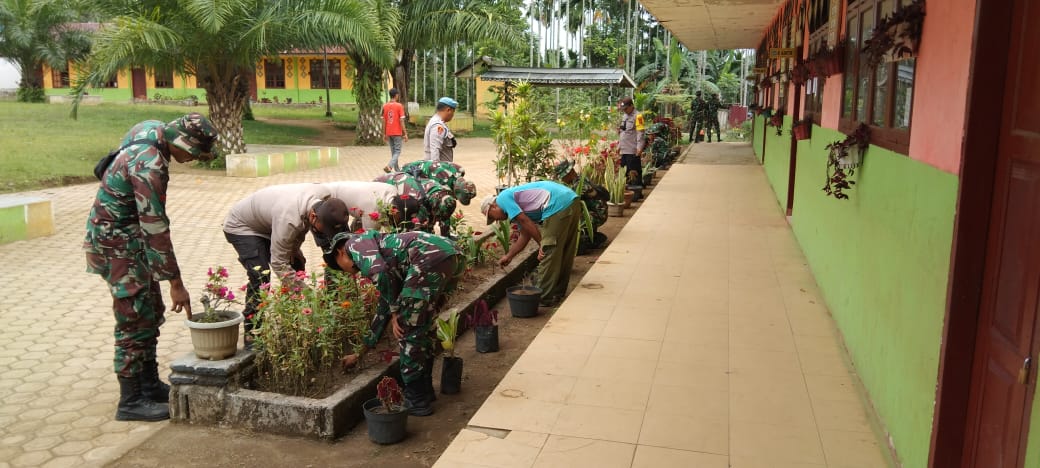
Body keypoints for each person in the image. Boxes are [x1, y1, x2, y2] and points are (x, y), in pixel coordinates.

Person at [84, 112, 217, 422]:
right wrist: (176, 283)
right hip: (117, 243)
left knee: (150, 310)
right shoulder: (150, 167)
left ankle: (147, 384)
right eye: (194, 154)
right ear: (181, 143)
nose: (192, 160)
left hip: (127, 240)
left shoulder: (153, 130)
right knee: (134, 318)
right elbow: (155, 227)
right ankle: (130, 401)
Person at [323, 230, 465, 416]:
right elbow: (382, 311)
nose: (350, 272)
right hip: (451, 255)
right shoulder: (389, 265)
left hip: (428, 256)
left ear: (339, 252)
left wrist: (395, 312)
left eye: (340, 267)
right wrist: (359, 354)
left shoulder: (353, 244)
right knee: (421, 326)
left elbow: (381, 276)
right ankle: (424, 392)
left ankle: (416, 399)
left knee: (406, 328)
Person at [222, 184, 348, 345]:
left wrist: (294, 251)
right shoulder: (289, 220)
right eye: (325, 230)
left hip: (270, 223)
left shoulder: (322, 195)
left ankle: (292, 319)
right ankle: (252, 330)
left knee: (297, 263)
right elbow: (278, 263)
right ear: (313, 216)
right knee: (261, 276)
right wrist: (309, 294)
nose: (325, 234)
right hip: (243, 227)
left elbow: (298, 233)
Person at [480, 181, 581, 307]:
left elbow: (524, 220)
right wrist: (509, 256)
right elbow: (525, 235)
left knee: (549, 250)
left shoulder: (503, 198)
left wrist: (542, 245)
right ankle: (557, 292)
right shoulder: (516, 206)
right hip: (570, 199)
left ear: (493, 206)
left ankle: (542, 297)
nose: (496, 220)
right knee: (564, 249)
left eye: (492, 216)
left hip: (556, 204)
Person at [553, 160, 608, 252]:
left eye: (563, 177)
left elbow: (571, 203)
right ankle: (592, 236)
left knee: (572, 220)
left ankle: (589, 240)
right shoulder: (579, 179)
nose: (562, 179)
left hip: (598, 214)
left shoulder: (580, 185)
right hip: (597, 211)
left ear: (570, 173)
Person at [323, 181, 400, 231]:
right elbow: (369, 237)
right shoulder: (372, 211)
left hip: (338, 190)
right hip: (327, 197)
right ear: (395, 211)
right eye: (401, 218)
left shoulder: (393, 190)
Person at [401, 160, 477, 205]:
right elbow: (429, 194)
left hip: (423, 170)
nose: (456, 199)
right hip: (409, 171)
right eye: (457, 197)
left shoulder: (460, 170)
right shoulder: (441, 180)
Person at [617, 97, 645, 185]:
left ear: (631, 106)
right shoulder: (625, 116)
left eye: (626, 109)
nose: (624, 111)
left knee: (634, 172)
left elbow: (640, 133)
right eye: (623, 109)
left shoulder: (638, 116)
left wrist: (639, 148)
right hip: (624, 149)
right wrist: (619, 146)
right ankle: (628, 191)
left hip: (633, 150)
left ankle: (637, 193)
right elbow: (623, 132)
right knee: (625, 172)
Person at [381, 88, 408, 173]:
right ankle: (389, 166)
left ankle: (397, 169)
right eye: (398, 95)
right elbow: (401, 121)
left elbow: (384, 121)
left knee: (394, 152)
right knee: (397, 151)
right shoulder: (399, 106)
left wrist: (384, 133)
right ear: (396, 95)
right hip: (397, 132)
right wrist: (405, 133)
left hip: (389, 132)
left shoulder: (385, 106)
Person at [423, 97, 457, 162]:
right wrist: (436, 169)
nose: (453, 115)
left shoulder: (438, 122)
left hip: (442, 167)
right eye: (453, 111)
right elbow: (435, 149)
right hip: (439, 168)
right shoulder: (437, 125)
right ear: (448, 110)